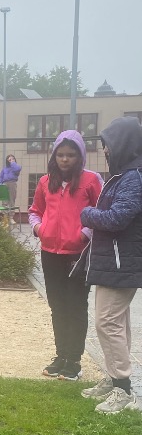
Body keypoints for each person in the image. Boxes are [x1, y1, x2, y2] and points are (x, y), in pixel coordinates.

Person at [79, 116, 142, 413]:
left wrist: (87, 213)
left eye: (108, 144)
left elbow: (117, 218)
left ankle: (123, 389)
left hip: (121, 264)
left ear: (124, 144)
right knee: (116, 323)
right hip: (115, 263)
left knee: (107, 322)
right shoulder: (123, 176)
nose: (105, 150)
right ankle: (114, 378)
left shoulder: (133, 178)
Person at [28, 131, 102, 381]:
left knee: (76, 306)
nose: (65, 159)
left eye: (71, 155)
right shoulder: (45, 182)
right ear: (54, 156)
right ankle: (61, 356)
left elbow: (101, 212)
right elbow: (35, 211)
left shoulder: (91, 180)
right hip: (50, 253)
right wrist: (40, 229)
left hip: (78, 255)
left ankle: (74, 360)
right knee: (57, 306)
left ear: (80, 156)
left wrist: (84, 234)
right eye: (60, 155)